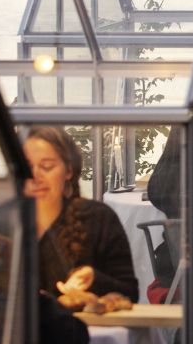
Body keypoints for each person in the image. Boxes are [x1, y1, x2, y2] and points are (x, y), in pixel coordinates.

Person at [24, 126, 138, 302]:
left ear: (68, 171)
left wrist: (94, 279)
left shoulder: (98, 218)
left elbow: (130, 292)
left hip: (81, 329)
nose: (35, 175)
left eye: (46, 166)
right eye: (27, 167)